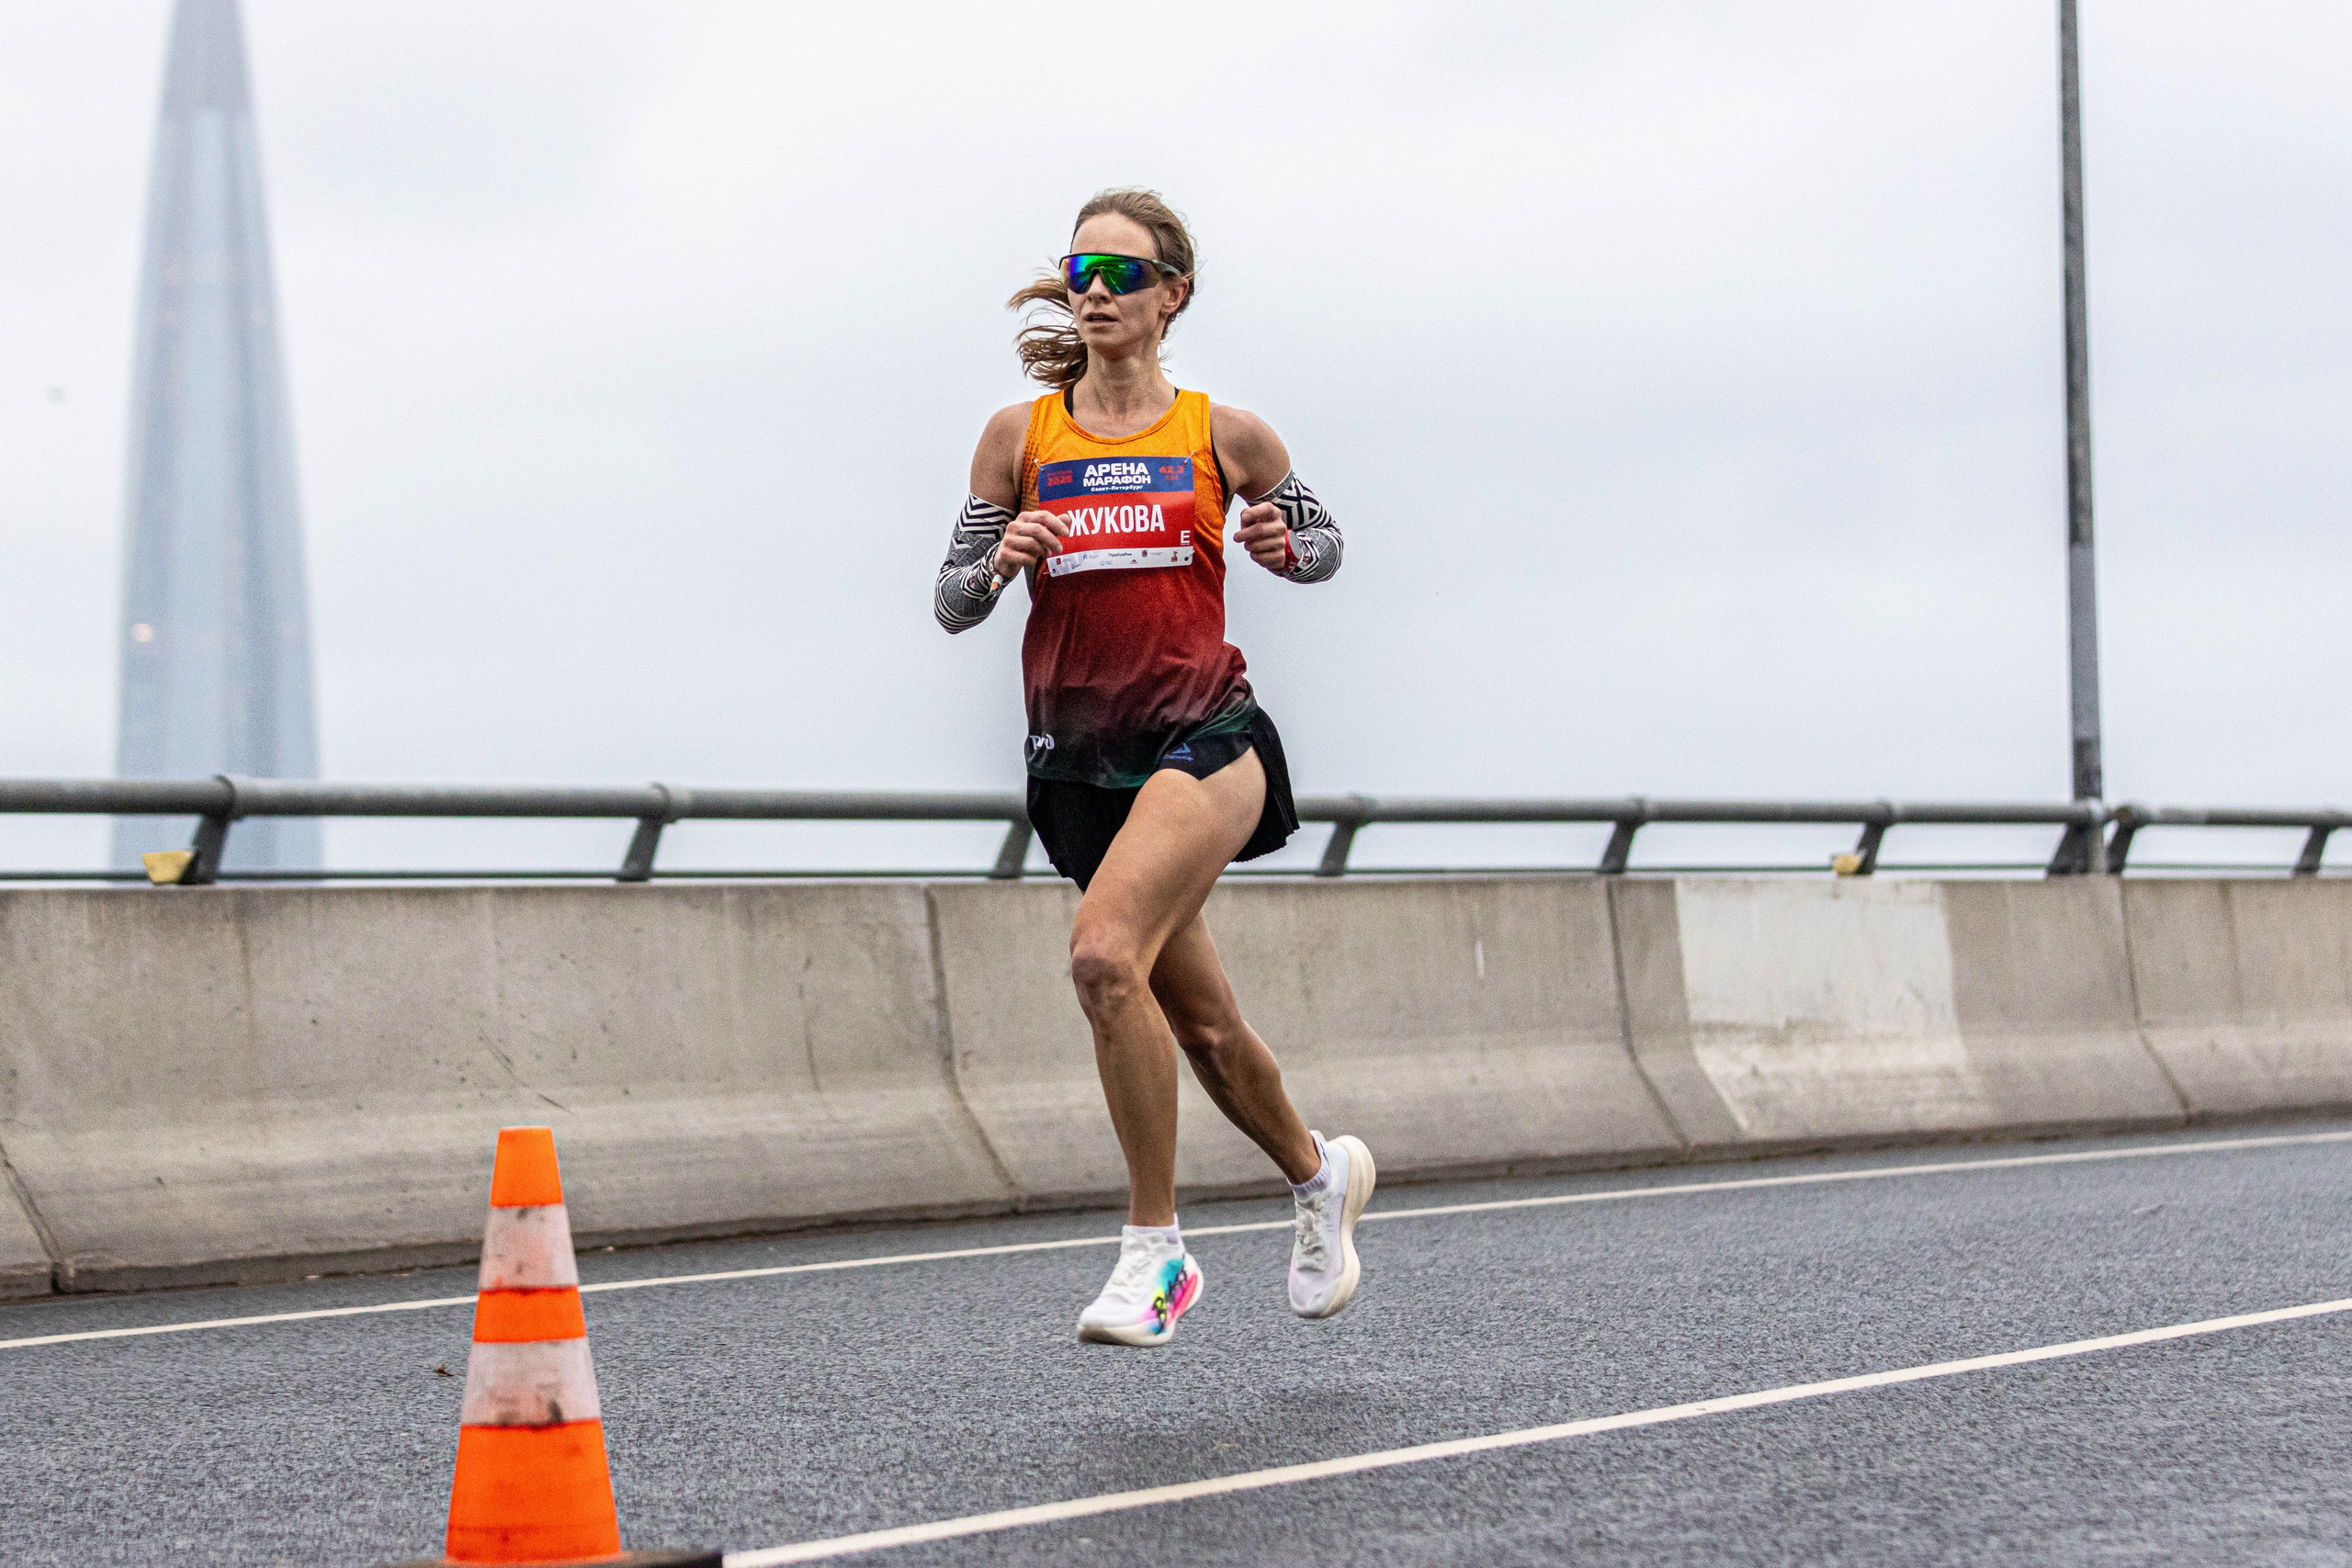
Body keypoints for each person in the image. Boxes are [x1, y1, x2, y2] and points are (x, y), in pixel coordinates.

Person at [934, 188, 1372, 1347]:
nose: (1094, 291)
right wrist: (998, 563)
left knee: (1098, 958)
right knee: (1206, 1029)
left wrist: (1286, 547)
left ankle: (1155, 1254)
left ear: (1171, 295)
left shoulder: (1225, 436)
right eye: (1081, 270)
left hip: (1207, 736)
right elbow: (949, 600)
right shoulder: (1019, 439)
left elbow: (1322, 543)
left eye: (1122, 275)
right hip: (1079, 766)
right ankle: (1317, 1173)